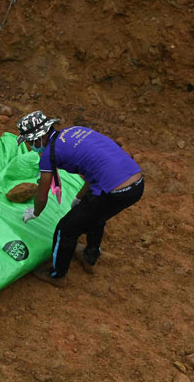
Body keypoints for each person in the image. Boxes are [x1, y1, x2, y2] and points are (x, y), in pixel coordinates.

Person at [17, 111, 144, 287]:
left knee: (65, 229)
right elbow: (93, 171)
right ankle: (89, 256)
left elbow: (42, 194)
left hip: (115, 191)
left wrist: (35, 212)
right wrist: (79, 197)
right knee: (95, 215)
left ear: (40, 137)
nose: (31, 146)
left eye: (31, 141)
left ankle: (57, 275)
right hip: (136, 183)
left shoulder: (49, 155)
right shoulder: (75, 131)